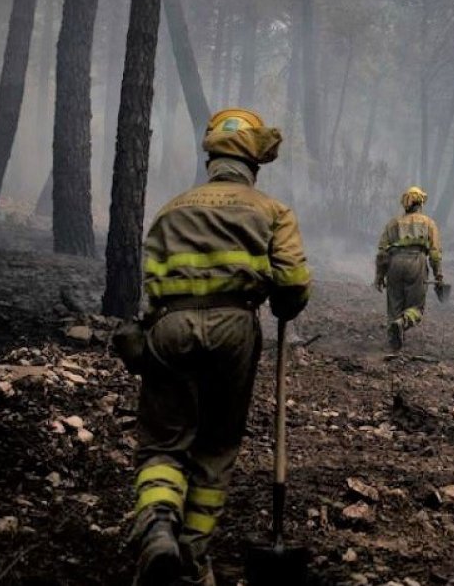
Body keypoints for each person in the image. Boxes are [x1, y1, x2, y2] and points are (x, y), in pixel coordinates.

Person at [130, 108, 311, 586]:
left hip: (169, 327)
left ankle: (157, 529)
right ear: (254, 161)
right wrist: (286, 305)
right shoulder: (271, 211)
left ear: (211, 155)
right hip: (234, 329)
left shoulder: (171, 208)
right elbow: (293, 282)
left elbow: (150, 282)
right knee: (215, 445)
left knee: (164, 442)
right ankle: (190, 559)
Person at [376, 186, 443, 351]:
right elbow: (434, 253)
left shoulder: (393, 223)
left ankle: (394, 340)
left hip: (394, 264)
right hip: (416, 262)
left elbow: (382, 253)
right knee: (416, 308)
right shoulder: (429, 223)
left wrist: (379, 275)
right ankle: (402, 323)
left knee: (394, 304)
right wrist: (439, 275)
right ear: (420, 203)